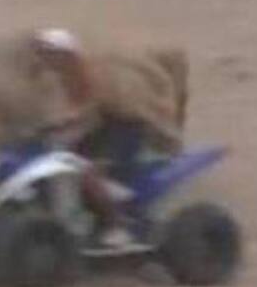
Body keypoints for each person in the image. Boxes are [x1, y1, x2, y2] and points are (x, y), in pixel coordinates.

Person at [29, 28, 160, 250]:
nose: (44, 57)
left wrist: (67, 128)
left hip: (118, 133)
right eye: (42, 52)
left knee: (85, 172)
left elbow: (91, 112)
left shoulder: (86, 75)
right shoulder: (53, 79)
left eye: (49, 52)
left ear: (65, 53)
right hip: (92, 133)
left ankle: (118, 227)